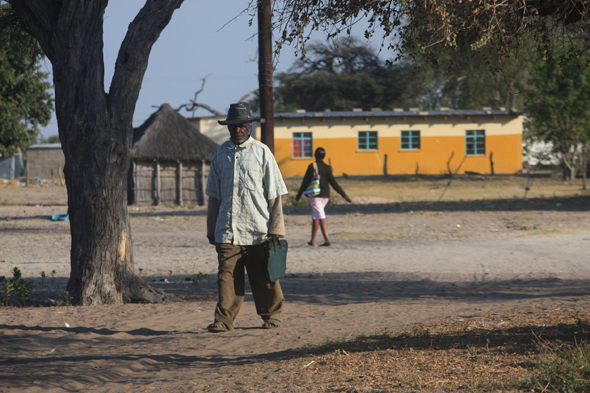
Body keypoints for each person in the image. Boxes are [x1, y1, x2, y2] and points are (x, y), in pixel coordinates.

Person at [205, 102, 288, 333]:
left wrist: (276, 230)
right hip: (227, 231)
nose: (237, 129)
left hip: (259, 230)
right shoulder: (220, 154)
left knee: (264, 277)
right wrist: (212, 229)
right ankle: (223, 320)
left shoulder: (262, 153)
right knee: (227, 277)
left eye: (241, 125)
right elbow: (213, 197)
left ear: (249, 126)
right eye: (233, 125)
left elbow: (275, 195)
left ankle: (272, 315)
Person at [295, 147, 352, 246]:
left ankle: (327, 240)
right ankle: (312, 241)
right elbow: (334, 183)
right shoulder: (328, 167)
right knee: (316, 216)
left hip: (316, 195)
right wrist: (344, 195)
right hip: (326, 196)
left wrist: (299, 195)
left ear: (315, 155)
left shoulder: (312, 166)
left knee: (320, 216)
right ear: (324, 156)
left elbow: (305, 182)